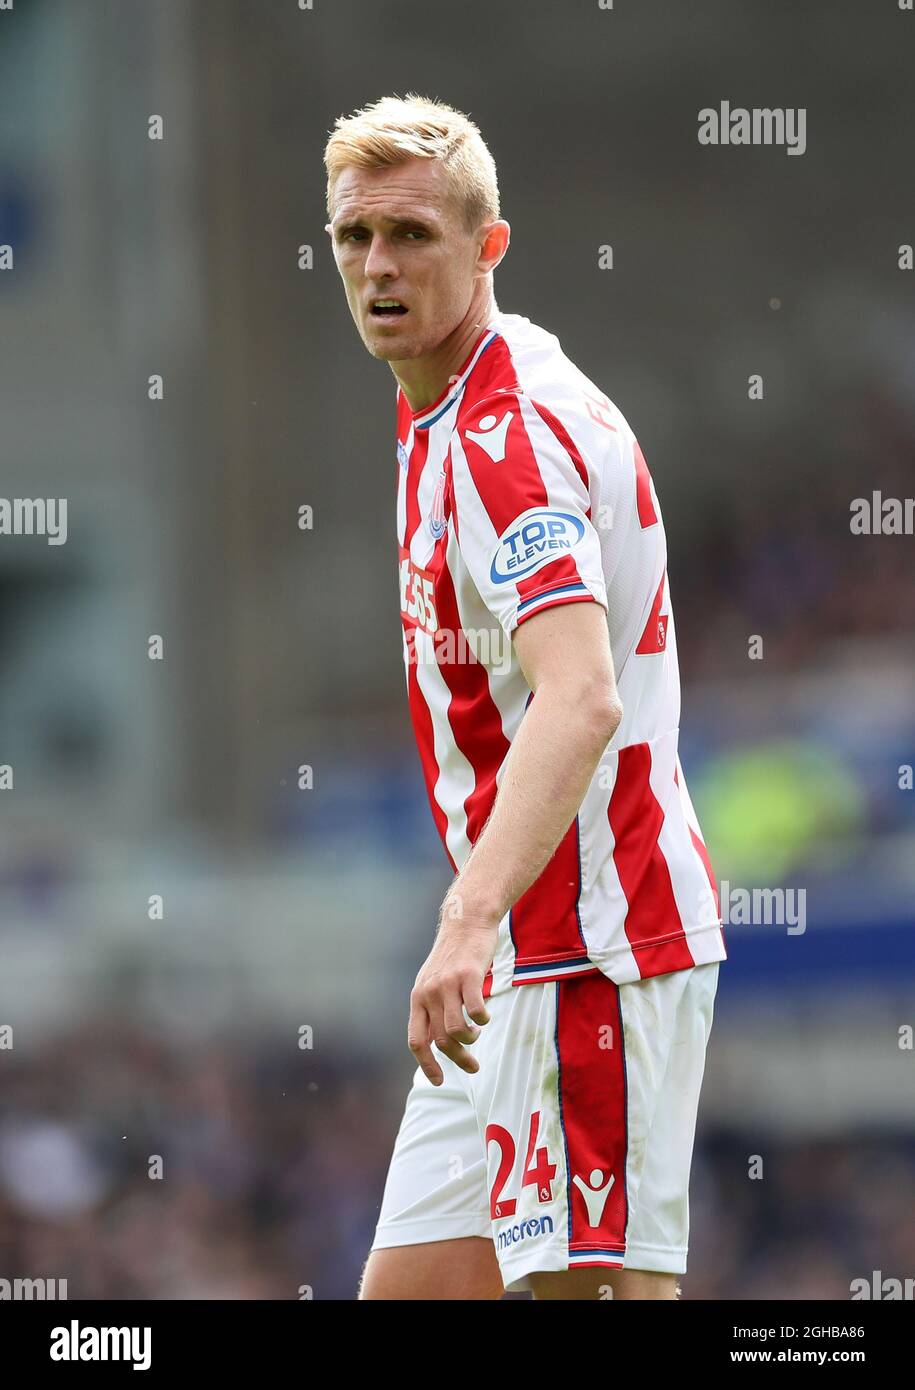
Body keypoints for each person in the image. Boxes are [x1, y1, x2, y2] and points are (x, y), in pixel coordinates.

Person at [323, 93, 726, 1301]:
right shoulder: (440, 408)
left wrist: (466, 916)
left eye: (413, 235)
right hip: (519, 968)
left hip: (590, 942)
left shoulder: (506, 438)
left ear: (489, 245)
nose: (379, 267)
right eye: (354, 238)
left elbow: (581, 695)